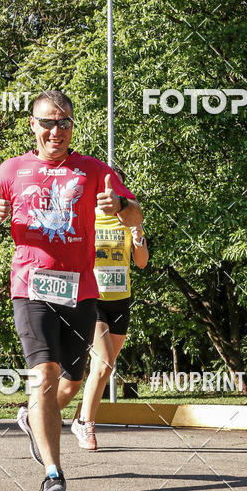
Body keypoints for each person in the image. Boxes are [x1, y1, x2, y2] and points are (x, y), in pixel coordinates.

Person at [0, 91, 143, 491]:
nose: (56, 130)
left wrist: (121, 204)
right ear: (32, 124)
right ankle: (53, 474)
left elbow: (137, 215)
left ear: (72, 126)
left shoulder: (93, 170)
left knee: (72, 382)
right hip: (30, 288)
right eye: (48, 122)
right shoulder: (12, 171)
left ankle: (34, 417)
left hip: (81, 291)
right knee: (44, 376)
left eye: (64, 122)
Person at [71, 170, 148, 450]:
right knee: (103, 362)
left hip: (120, 300)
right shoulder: (85, 218)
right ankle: (85, 425)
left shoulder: (130, 219)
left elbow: (141, 262)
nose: (113, 197)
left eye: (120, 194)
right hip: (93, 300)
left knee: (102, 368)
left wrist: (138, 238)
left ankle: (80, 416)